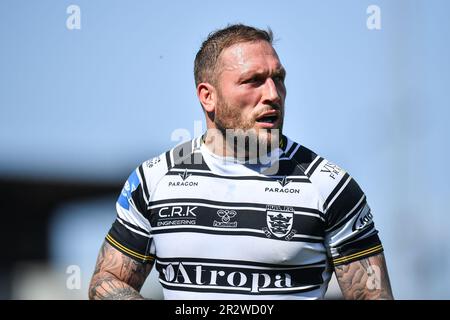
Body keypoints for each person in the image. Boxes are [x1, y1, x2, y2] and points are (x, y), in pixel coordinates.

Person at [89, 24, 393, 300]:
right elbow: (107, 280)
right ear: (208, 97)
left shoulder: (330, 186)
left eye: (279, 79)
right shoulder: (154, 181)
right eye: (254, 81)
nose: (273, 94)